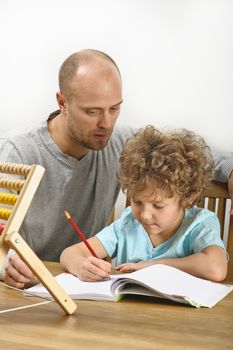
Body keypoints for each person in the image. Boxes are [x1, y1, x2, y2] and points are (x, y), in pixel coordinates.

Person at [0, 49, 232, 288]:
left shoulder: (120, 143)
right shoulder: (16, 152)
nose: (107, 124)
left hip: (81, 291)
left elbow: (183, 153)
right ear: (62, 103)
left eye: (114, 108)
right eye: (93, 111)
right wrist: (3, 262)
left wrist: (231, 170)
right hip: (24, 287)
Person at [60, 125, 228, 282]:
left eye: (158, 205)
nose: (145, 215)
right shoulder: (128, 224)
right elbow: (69, 253)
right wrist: (80, 265)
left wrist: (154, 266)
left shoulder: (199, 223)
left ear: (189, 198)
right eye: (137, 201)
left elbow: (216, 268)